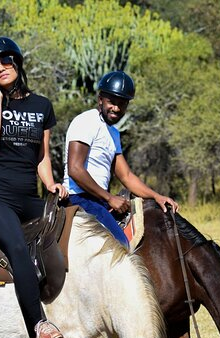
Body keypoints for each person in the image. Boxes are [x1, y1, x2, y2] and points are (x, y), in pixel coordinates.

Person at [0, 36, 66, 338]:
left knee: (71, 228)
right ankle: (38, 324)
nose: (1, 67)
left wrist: (51, 184)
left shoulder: (42, 106)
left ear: (17, 62)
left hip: (29, 196)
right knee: (16, 245)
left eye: (6, 61)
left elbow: (42, 156)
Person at [63, 70, 179, 247]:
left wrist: (157, 196)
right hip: (79, 197)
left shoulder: (113, 133)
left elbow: (126, 176)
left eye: (122, 104)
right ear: (100, 98)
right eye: (112, 102)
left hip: (98, 198)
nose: (116, 108)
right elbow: (75, 169)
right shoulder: (86, 121)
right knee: (122, 246)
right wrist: (109, 198)